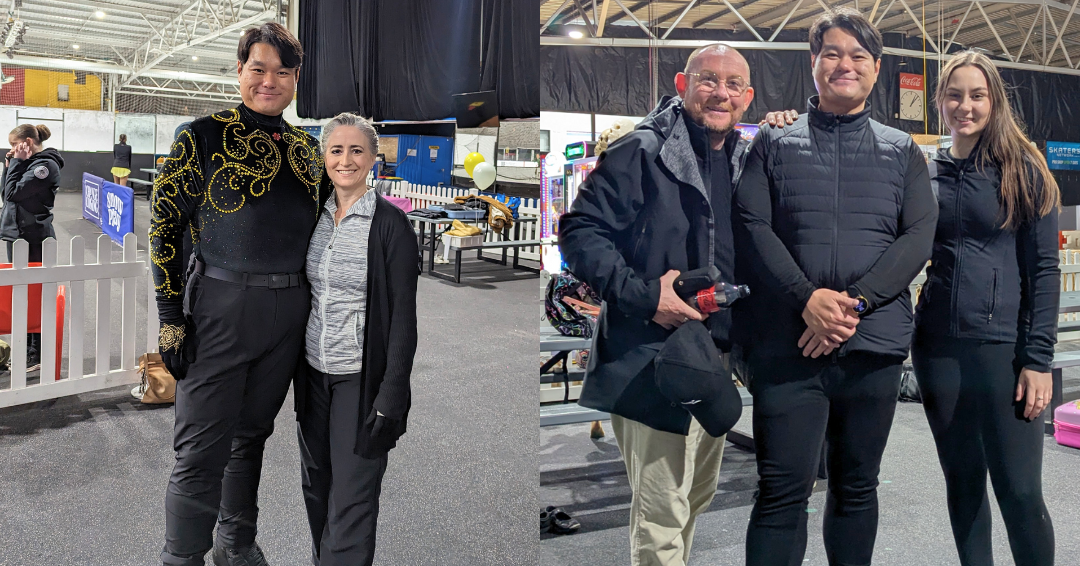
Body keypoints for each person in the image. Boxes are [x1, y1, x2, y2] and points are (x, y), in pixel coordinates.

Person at [733, 8, 938, 565]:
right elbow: (752, 227)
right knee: (781, 492)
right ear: (814, 64)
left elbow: (918, 235)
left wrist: (854, 305)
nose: (844, 64)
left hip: (871, 349)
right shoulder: (774, 144)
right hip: (788, 347)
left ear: (876, 71)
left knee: (856, 488)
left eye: (858, 56)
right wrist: (808, 300)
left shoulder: (903, 151)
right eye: (832, 53)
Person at [559, 44, 757, 566]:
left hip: (709, 359)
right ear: (681, 84)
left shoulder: (743, 159)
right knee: (662, 512)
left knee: (694, 497)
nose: (720, 92)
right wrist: (647, 297)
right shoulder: (641, 152)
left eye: (733, 84)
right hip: (648, 357)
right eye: (708, 80)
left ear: (748, 97)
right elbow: (579, 232)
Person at [149, 22, 327, 566]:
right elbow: (164, 228)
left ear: (296, 79)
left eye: (283, 72)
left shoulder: (309, 151)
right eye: (259, 69)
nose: (269, 81)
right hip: (221, 309)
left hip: (289, 314)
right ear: (240, 71)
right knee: (201, 448)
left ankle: (236, 543)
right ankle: (182, 557)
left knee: (250, 438)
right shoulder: (200, 135)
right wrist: (170, 316)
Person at [911, 50, 1058, 566]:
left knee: (1019, 491)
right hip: (937, 351)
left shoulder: (1025, 171)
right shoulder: (925, 171)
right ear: (939, 101)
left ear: (994, 101)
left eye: (977, 95)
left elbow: (1044, 271)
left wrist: (1038, 360)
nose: (965, 105)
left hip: (1004, 354)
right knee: (964, 485)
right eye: (954, 95)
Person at [294, 112, 419, 566]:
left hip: (359, 379)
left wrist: (393, 393)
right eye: (336, 150)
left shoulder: (389, 225)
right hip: (312, 375)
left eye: (356, 150)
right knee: (317, 485)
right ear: (324, 156)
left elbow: (404, 317)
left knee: (352, 495)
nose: (345, 160)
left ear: (373, 159)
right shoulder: (318, 217)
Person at [2, 123, 63, 372]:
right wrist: (10, 166)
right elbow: (4, 193)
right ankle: (28, 349)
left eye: (14, 145)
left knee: (36, 296)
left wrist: (17, 164)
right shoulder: (26, 163)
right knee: (20, 294)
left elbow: (13, 194)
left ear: (27, 141)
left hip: (34, 237)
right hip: (17, 235)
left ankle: (36, 353)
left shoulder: (44, 166)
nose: (12, 150)